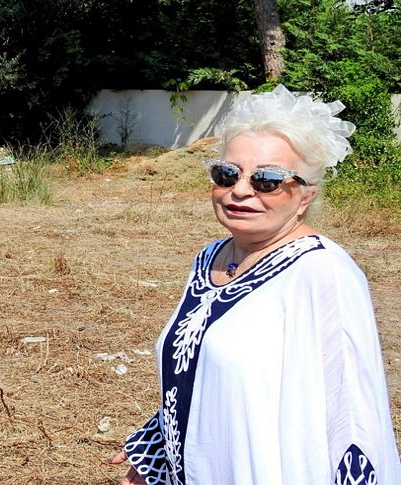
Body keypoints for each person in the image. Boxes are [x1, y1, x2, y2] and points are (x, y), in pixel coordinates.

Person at [110, 85, 400, 484]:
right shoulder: (210, 258)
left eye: (267, 180)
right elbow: (202, 373)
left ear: (305, 195)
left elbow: (352, 417)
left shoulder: (321, 272)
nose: (240, 190)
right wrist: (156, 456)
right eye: (226, 174)